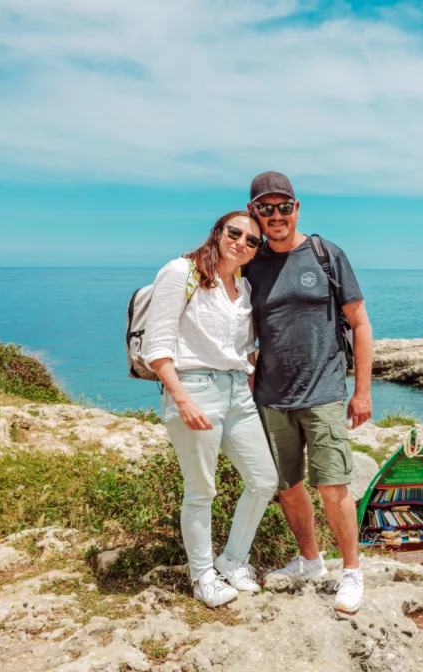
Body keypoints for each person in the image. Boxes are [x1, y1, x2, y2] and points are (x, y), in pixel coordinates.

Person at [244, 171, 373, 614]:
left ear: (297, 209)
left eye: (284, 207)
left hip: (324, 392)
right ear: (253, 213)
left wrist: (362, 392)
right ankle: (311, 560)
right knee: (288, 486)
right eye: (266, 208)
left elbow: (359, 324)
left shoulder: (325, 255)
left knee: (333, 485)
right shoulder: (250, 264)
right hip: (271, 397)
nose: (276, 215)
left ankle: (351, 572)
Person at [142, 211, 278, 608]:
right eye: (235, 233)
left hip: (237, 391)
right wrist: (182, 398)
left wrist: (248, 383)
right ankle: (202, 576)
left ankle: (232, 559)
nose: (242, 242)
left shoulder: (245, 287)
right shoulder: (180, 272)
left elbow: (243, 349)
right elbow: (158, 345)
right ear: (218, 234)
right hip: (194, 387)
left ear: (256, 251)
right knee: (201, 490)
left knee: (263, 479)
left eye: (252, 241)